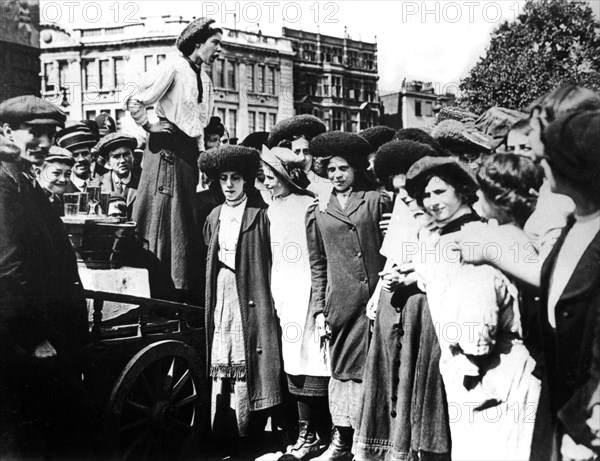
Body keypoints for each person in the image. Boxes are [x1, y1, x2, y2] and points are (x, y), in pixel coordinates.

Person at [405, 157, 541, 461]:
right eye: (426, 195)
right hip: (466, 366)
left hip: (490, 368)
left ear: (463, 192)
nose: (431, 202)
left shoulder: (472, 239)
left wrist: (471, 361)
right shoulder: (445, 238)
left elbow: (479, 310)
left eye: (440, 192)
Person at [0, 96, 93, 458]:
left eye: (51, 135)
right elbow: (8, 270)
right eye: (34, 133)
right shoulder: (5, 185)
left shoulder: (21, 178)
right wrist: (33, 337)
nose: (44, 144)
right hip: (21, 343)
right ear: (6, 131)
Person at [354, 139, 451, 461]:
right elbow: (396, 252)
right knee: (388, 376)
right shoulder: (404, 204)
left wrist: (413, 277)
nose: (404, 197)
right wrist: (378, 291)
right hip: (396, 297)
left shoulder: (438, 209)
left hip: (425, 306)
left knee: (414, 379)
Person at [305, 132, 392, 460]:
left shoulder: (376, 200)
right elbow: (318, 265)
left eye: (343, 169)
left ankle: (372, 444)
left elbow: (392, 251)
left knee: (375, 370)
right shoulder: (319, 210)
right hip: (340, 305)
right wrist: (318, 310)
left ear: (356, 169)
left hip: (374, 302)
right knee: (342, 372)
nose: (337, 175)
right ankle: (341, 441)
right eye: (331, 170)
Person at [125, 17, 222, 300]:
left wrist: (203, 157)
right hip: (165, 152)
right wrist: (149, 125)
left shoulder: (205, 79)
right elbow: (133, 95)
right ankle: (156, 292)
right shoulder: (173, 67)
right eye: (214, 43)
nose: (218, 50)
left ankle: (178, 295)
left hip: (188, 156)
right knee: (160, 220)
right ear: (197, 43)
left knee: (183, 222)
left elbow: (200, 125)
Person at [201, 145, 283, 440]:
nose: (230, 185)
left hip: (249, 287)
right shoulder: (215, 215)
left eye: (235, 178)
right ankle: (221, 424)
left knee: (247, 353)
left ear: (246, 180)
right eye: (224, 179)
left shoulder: (260, 213)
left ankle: (248, 427)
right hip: (222, 289)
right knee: (222, 354)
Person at [536, 110, 600, 460]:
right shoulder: (573, 224)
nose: (540, 164)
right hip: (559, 411)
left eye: (549, 158)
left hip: (589, 424)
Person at [261, 145, 331, 461]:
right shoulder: (271, 209)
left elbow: (317, 255)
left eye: (271, 178)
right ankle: (304, 433)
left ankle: (318, 434)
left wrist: (318, 299)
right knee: (293, 362)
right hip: (284, 291)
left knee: (314, 360)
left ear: (286, 177)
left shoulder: (308, 207)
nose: (267, 184)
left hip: (307, 291)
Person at [267, 114, 330, 199]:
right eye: (296, 152)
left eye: (306, 152)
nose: (302, 158)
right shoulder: (278, 186)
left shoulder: (326, 186)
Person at [97, 132, 139, 218]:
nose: (123, 160)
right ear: (108, 161)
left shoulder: (142, 182)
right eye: (116, 156)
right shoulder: (97, 184)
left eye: (126, 154)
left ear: (133, 156)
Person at [56, 121, 103, 192]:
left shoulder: (104, 182)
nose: (81, 159)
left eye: (85, 154)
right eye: (75, 155)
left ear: (91, 155)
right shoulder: (60, 188)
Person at [36, 145, 75, 216]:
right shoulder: (29, 200)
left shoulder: (60, 201)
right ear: (38, 172)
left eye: (67, 174)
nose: (63, 179)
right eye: (56, 173)